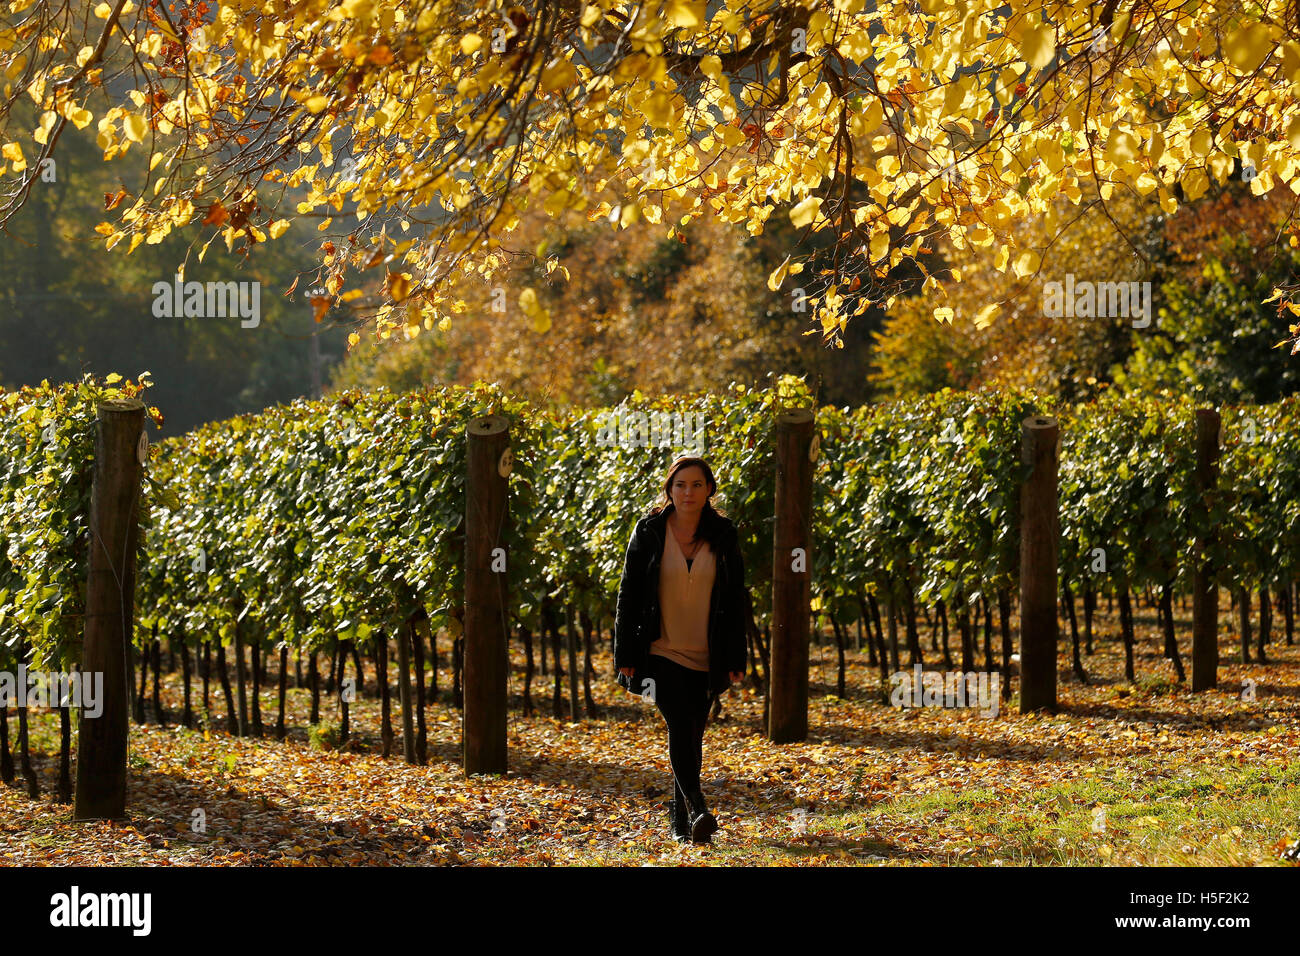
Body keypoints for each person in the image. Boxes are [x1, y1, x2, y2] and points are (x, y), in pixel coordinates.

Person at [613, 455, 748, 845]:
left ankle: (680, 823)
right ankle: (699, 807)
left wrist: (736, 657)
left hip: (707, 654)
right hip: (660, 649)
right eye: (680, 485)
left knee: (693, 734)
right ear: (669, 489)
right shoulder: (650, 531)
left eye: (697, 485)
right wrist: (625, 653)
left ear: (709, 491)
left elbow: (736, 598)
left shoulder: (723, 534)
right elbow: (629, 594)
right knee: (678, 723)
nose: (688, 492)